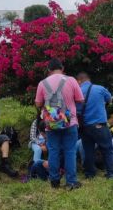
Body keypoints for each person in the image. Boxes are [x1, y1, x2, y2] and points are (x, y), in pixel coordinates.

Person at [35, 58, 84, 190]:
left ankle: (54, 181)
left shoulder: (42, 83)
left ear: (49, 70)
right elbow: (80, 99)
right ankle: (71, 182)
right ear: (62, 68)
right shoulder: (71, 80)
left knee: (53, 152)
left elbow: (38, 103)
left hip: (50, 125)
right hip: (70, 122)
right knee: (70, 151)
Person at [76, 72, 113, 180]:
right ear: (88, 80)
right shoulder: (100, 88)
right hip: (99, 125)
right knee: (107, 149)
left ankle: (90, 174)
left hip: (85, 127)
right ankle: (111, 174)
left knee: (88, 150)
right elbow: (109, 99)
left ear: (79, 80)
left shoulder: (78, 92)